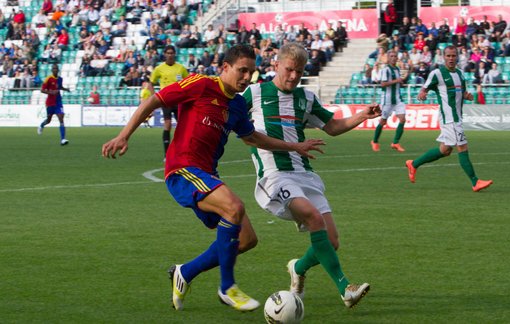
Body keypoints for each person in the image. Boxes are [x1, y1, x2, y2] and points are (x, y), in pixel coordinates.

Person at [101, 44, 325, 313]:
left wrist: (294, 147)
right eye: (242, 71)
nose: (246, 78)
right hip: (183, 169)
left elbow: (251, 137)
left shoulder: (238, 105)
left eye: (251, 73)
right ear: (225, 68)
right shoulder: (201, 84)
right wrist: (124, 135)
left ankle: (184, 272)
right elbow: (154, 100)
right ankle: (227, 287)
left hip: (206, 175)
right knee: (234, 207)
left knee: (246, 240)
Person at [242, 43, 377, 308]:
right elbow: (229, 118)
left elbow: (333, 127)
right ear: (276, 65)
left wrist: (362, 115)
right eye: (289, 69)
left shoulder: (306, 98)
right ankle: (345, 288)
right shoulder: (254, 93)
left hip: (304, 173)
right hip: (274, 176)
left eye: (299, 72)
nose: (293, 76)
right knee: (315, 219)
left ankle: (298, 268)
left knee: (332, 241)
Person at [407, 46, 493, 192]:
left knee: (445, 150)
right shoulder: (437, 74)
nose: (451, 58)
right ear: (444, 57)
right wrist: (422, 93)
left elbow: (462, 91)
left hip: (457, 117)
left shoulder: (460, 73)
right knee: (462, 147)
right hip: (449, 118)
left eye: (453, 56)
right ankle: (475, 182)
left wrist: (467, 96)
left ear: (457, 57)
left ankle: (413, 164)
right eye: (448, 56)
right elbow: (425, 88)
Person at [149, 45, 189, 160]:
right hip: (166, 100)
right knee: (167, 124)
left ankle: (183, 152)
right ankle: (167, 154)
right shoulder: (159, 68)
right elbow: (151, 82)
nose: (170, 55)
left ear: (175, 54)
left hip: (179, 100)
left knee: (183, 126)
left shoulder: (181, 68)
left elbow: (188, 82)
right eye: (168, 53)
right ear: (165, 54)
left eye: (172, 53)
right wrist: (154, 97)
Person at [371, 50, 409, 153]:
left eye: (395, 56)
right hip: (387, 100)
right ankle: (374, 141)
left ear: (397, 58)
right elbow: (383, 84)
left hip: (397, 99)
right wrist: (397, 81)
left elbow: (397, 83)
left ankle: (395, 143)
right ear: (388, 58)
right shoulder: (385, 70)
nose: (393, 58)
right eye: (391, 56)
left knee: (402, 119)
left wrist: (401, 81)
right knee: (383, 122)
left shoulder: (397, 69)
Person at [37, 64, 70, 145]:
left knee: (61, 118)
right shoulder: (48, 79)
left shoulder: (60, 79)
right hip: (50, 103)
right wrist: (51, 92)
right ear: (52, 70)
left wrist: (66, 89)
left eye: (56, 68)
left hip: (58, 102)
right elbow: (42, 90)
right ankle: (42, 125)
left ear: (58, 70)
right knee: (49, 120)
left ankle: (63, 139)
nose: (55, 70)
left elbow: (60, 87)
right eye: (53, 68)